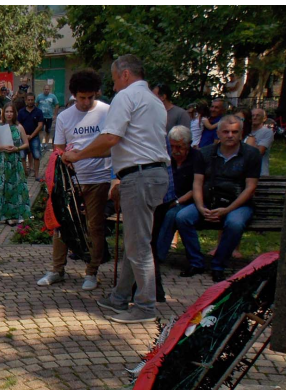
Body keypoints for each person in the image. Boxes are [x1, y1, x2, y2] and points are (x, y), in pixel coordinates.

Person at [62, 54, 169, 323]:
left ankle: (144, 306)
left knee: (138, 247)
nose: (113, 86)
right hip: (150, 175)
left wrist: (79, 155)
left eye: (113, 79)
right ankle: (120, 297)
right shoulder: (154, 101)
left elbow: (110, 137)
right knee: (136, 241)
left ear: (124, 74)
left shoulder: (126, 97)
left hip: (140, 176)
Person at [37, 69, 113, 292]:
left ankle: (92, 271)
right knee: (62, 223)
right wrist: (64, 158)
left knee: (94, 226)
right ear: (73, 95)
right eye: (82, 97)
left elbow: (112, 145)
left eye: (91, 97)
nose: (87, 102)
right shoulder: (64, 117)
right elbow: (58, 148)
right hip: (70, 180)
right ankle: (57, 269)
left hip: (98, 178)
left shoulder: (107, 112)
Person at [175, 115, 261, 283]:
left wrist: (227, 210)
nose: (230, 135)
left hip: (238, 204)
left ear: (241, 133)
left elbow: (250, 187)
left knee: (235, 224)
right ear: (218, 134)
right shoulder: (205, 153)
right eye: (226, 132)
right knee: (182, 217)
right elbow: (197, 183)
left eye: (235, 132)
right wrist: (200, 207)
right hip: (209, 201)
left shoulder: (251, 154)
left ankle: (218, 265)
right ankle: (196, 262)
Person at [156, 126, 198, 262]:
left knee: (172, 215)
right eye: (172, 146)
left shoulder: (197, 157)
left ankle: (158, 256)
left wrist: (177, 202)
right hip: (169, 199)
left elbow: (197, 187)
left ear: (188, 144)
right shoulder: (167, 157)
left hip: (190, 201)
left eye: (179, 147)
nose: (174, 151)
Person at [0, 103, 31, 228]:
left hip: (15, 160)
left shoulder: (19, 127)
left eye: (11, 112)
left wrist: (17, 148)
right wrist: (2, 147)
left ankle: (11, 216)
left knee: (14, 188)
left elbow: (26, 144)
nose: (9, 114)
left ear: (14, 113)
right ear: (3, 113)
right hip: (2, 160)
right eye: (7, 112)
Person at [18, 92, 46, 181]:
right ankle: (24, 173)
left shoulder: (38, 111)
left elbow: (40, 125)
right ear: (26, 100)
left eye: (32, 100)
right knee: (22, 156)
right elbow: (18, 124)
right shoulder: (21, 112)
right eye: (28, 100)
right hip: (23, 137)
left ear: (34, 100)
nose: (30, 101)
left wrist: (31, 135)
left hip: (34, 137)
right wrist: (24, 136)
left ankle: (37, 174)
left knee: (37, 156)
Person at [249, 108, 275, 176]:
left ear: (264, 118)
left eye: (258, 115)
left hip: (261, 173)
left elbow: (259, 153)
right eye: (252, 115)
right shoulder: (244, 132)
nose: (254, 117)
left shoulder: (267, 132)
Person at [36, 84, 60, 150]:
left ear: (49, 90)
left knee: (48, 131)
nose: (46, 90)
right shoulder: (39, 96)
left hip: (49, 116)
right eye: (45, 89)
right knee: (40, 130)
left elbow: (57, 105)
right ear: (43, 89)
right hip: (41, 116)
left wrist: (55, 114)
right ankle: (41, 144)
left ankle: (46, 144)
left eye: (47, 89)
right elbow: (36, 104)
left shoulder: (53, 96)